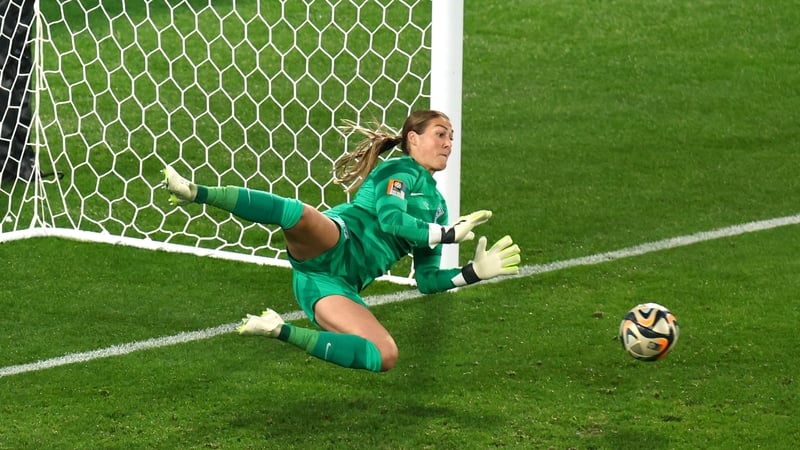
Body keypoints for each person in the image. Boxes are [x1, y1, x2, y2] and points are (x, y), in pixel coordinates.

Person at [162, 109, 520, 373]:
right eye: (440, 134)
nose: (448, 143)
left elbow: (426, 281)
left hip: (334, 284)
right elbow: (391, 219)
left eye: (452, 137)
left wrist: (472, 272)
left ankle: (277, 329)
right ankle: (196, 192)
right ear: (413, 139)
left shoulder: (439, 209)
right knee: (300, 214)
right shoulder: (399, 171)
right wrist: (447, 234)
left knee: (385, 355)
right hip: (338, 240)